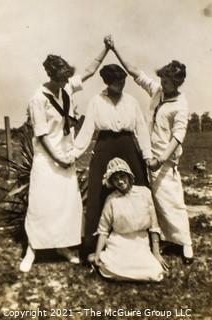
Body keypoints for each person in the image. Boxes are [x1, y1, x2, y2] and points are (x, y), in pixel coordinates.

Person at [20, 45, 110, 272]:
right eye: (61, 79)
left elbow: (88, 72)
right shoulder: (38, 99)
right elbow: (41, 136)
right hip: (46, 157)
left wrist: (105, 49)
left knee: (67, 204)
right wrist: (57, 159)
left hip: (66, 155)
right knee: (42, 203)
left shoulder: (66, 87)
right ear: (51, 75)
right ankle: (33, 248)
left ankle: (64, 247)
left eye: (66, 78)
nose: (64, 83)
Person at [105, 36, 193, 263]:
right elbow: (135, 73)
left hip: (165, 160)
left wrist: (162, 159)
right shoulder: (157, 92)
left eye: (167, 82)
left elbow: (178, 137)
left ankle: (186, 244)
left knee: (172, 200)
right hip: (148, 154)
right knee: (155, 200)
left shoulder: (181, 105)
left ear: (177, 83)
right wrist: (115, 49)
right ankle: (166, 239)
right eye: (162, 80)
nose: (162, 84)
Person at [69, 63, 152, 257]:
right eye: (116, 83)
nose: (120, 86)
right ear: (107, 83)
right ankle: (95, 244)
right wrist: (74, 154)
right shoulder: (97, 101)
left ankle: (139, 237)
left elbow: (140, 128)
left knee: (137, 186)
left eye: (122, 81)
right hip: (105, 146)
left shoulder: (131, 101)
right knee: (100, 191)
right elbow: (87, 129)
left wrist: (146, 154)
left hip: (128, 146)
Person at [89, 157, 168, 281]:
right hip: (119, 242)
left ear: (129, 175)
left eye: (122, 176)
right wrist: (98, 253)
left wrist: (156, 253)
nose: (120, 181)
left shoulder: (144, 193)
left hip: (140, 242)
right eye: (115, 179)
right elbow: (103, 230)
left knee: (155, 273)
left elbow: (154, 226)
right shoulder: (111, 199)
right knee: (108, 266)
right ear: (111, 182)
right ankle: (102, 258)